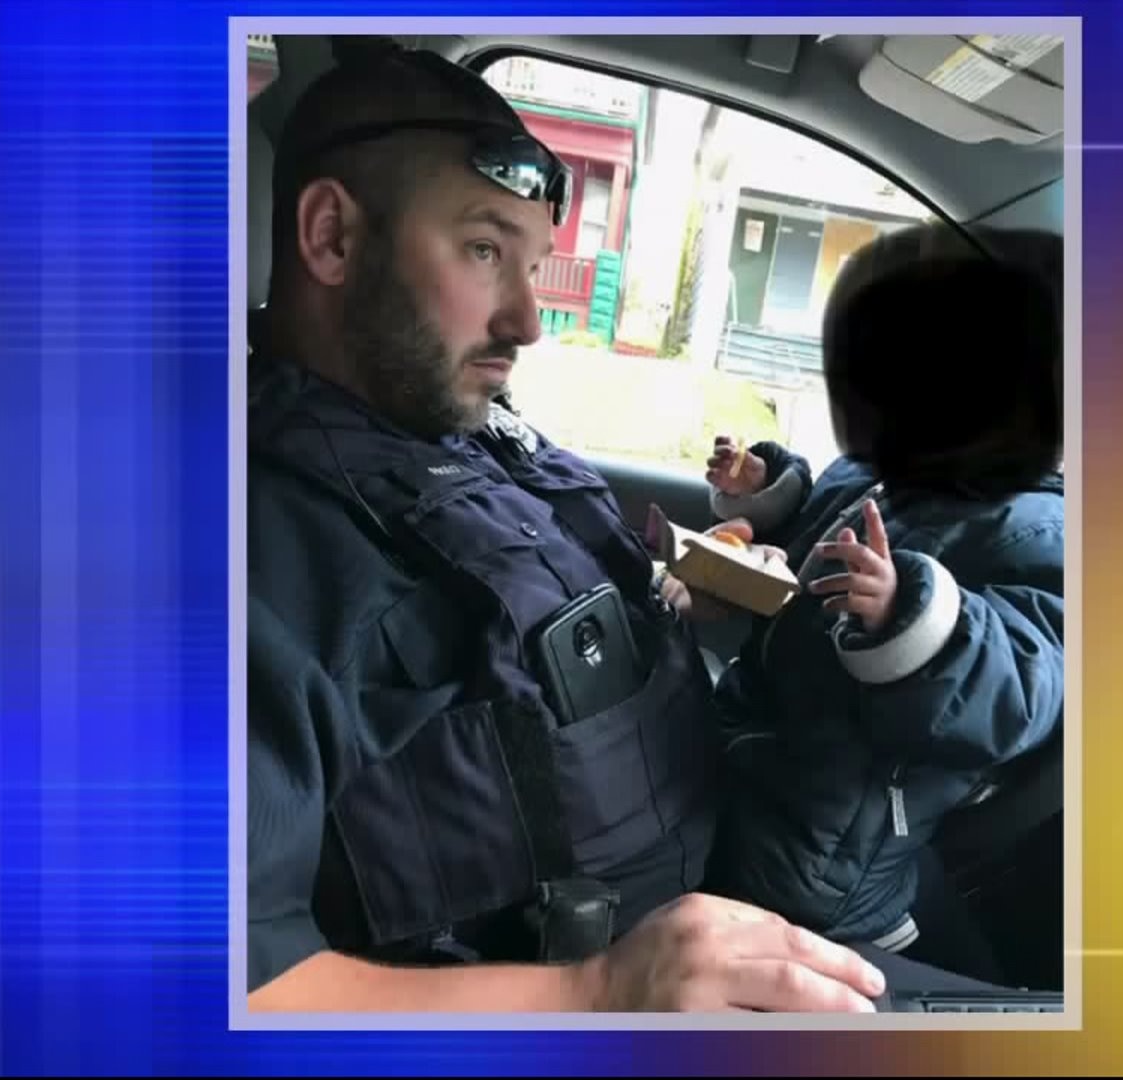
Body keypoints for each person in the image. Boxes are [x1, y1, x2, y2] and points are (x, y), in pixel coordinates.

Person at [243, 44, 888, 1012]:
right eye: (484, 250)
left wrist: (665, 595)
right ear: (332, 237)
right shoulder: (234, 546)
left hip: (722, 915)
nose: (528, 321)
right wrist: (594, 993)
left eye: (533, 265)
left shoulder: (458, 431)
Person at [681, 222, 1065, 978]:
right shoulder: (877, 476)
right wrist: (769, 493)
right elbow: (817, 529)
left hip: (834, 847)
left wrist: (906, 616)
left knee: (924, 972)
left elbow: (1023, 687)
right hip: (758, 743)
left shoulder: (1038, 532)